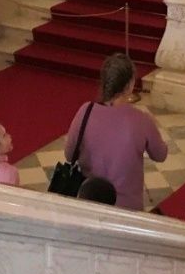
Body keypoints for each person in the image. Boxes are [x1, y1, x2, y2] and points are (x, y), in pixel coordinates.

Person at [63, 54, 168, 211]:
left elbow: (69, 155)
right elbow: (161, 155)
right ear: (129, 85)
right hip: (128, 208)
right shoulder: (141, 119)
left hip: (90, 204)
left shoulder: (85, 111)